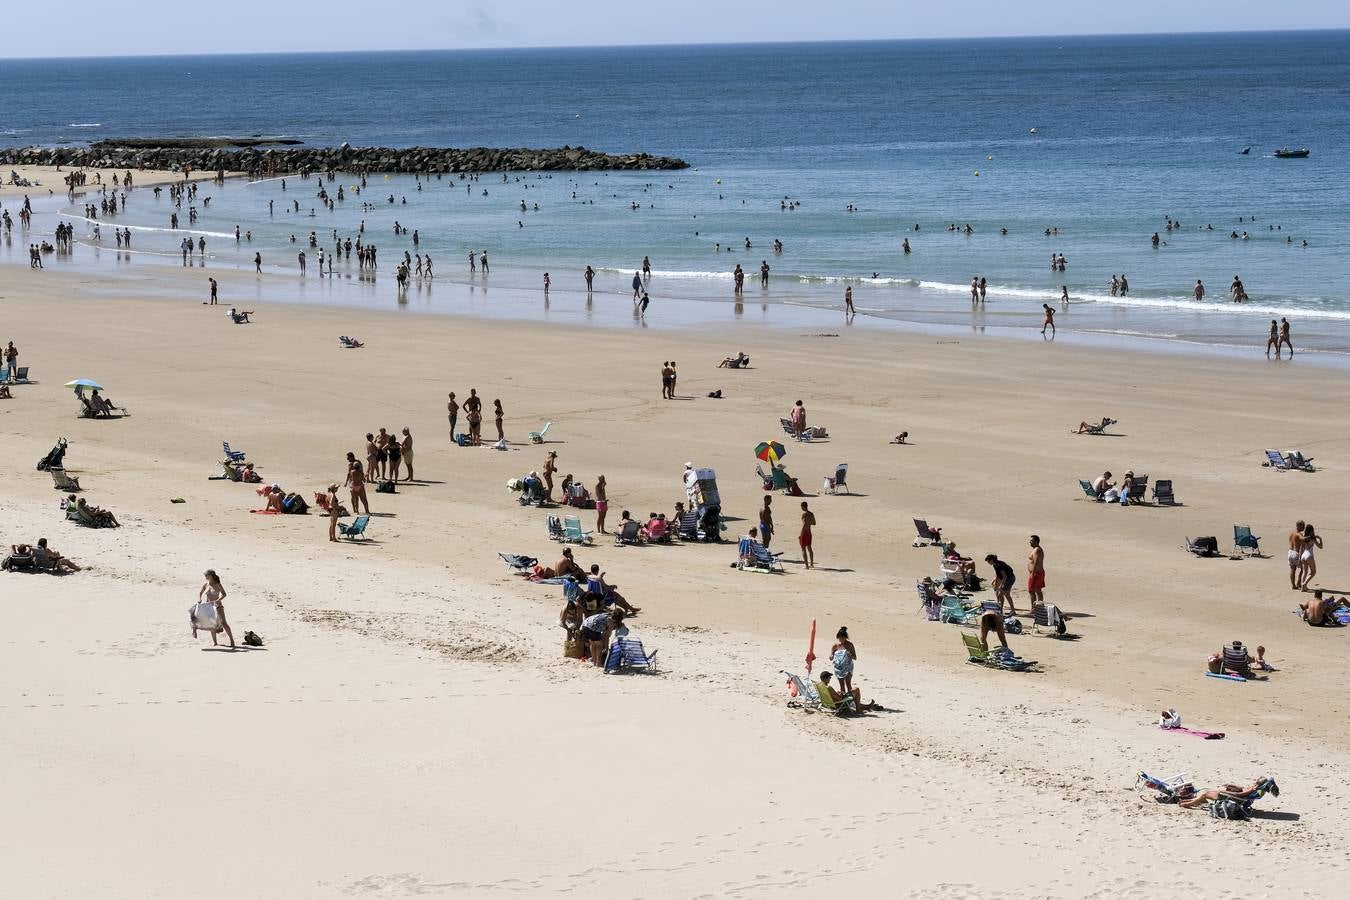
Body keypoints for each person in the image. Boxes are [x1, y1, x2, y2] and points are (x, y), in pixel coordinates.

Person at [1177, 778, 1275, 810]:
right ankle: (1191, 801)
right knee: (1206, 792)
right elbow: (1241, 789)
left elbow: (1239, 795)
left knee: (1205, 793)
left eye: (1256, 781)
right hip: (1232, 797)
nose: (1254, 781)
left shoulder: (1251, 790)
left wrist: (1224, 791)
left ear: (1258, 784)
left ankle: (1187, 804)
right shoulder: (1252, 789)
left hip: (1231, 799)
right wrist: (1231, 785)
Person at [198, 569, 235, 649]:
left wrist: (218, 600)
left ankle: (232, 640)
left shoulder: (217, 584)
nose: (205, 577)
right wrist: (200, 599)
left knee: (224, 623)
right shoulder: (206, 584)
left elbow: (224, 594)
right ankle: (215, 642)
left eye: (206, 575)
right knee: (211, 625)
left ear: (211, 575)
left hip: (218, 606)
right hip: (209, 607)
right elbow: (200, 593)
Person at [830, 626, 856, 694]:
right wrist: (831, 656)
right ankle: (844, 700)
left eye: (842, 638)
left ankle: (851, 700)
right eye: (839, 638)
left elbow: (855, 657)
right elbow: (831, 656)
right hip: (838, 667)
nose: (841, 640)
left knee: (848, 684)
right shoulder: (835, 645)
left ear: (845, 637)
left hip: (848, 667)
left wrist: (850, 655)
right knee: (841, 685)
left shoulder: (849, 645)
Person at [345, 450, 370, 515]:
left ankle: (356, 511)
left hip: (353, 485)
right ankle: (366, 511)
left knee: (355, 499)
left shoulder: (352, 468)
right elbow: (363, 476)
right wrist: (365, 476)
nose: (347, 459)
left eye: (348, 458)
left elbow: (348, 474)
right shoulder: (358, 465)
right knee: (363, 498)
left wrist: (346, 482)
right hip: (359, 484)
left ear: (351, 457)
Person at [1298, 523, 1322, 591]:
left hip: (1303, 556)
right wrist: (1320, 539)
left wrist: (1299, 559)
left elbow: (1300, 549)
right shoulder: (1312, 538)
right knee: (1313, 572)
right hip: (1309, 556)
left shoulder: (1304, 538)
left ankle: (1303, 588)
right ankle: (1304, 584)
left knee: (1304, 572)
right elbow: (1320, 547)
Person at [1027, 535, 1045, 608]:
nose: (1030, 542)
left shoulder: (1037, 549)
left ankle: (1034, 608)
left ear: (1036, 541)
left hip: (1036, 573)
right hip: (1038, 573)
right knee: (1038, 590)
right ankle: (1039, 607)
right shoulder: (1036, 549)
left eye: (1031, 541)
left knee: (1031, 591)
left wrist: (1033, 572)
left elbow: (1036, 561)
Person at [1288, 520, 1306, 590]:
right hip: (1296, 553)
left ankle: (1293, 585)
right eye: (1303, 526)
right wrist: (1309, 537)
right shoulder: (1299, 534)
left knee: (1293, 569)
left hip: (1290, 552)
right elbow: (1302, 538)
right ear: (1299, 526)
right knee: (1303, 569)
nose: (1304, 528)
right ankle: (1298, 583)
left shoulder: (1292, 533)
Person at [800, 501, 816, 569]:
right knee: (809, 548)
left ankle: (806, 566)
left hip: (804, 533)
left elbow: (804, 525)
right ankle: (811, 563)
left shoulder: (804, 514)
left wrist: (801, 534)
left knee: (803, 549)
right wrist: (809, 522)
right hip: (809, 533)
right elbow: (814, 523)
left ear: (803, 507)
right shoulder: (811, 514)